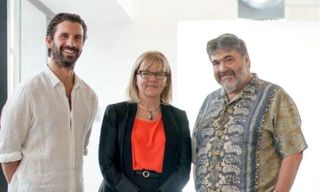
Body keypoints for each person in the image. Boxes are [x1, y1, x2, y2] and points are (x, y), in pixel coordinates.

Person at [192, 33, 307, 192]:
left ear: (246, 60)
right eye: (216, 63)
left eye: (229, 59)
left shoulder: (274, 96)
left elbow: (294, 152)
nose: (223, 68)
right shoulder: (209, 102)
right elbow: (197, 156)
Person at [0, 13, 98, 191]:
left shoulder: (89, 97)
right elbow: (8, 157)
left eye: (78, 38)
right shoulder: (27, 92)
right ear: (48, 41)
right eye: (64, 36)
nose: (71, 43)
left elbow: (78, 149)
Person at [98, 51, 191, 192]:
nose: (152, 79)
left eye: (160, 74)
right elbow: (107, 164)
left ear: (166, 80)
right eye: (146, 73)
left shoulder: (179, 117)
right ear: (136, 78)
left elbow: (183, 169)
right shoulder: (115, 113)